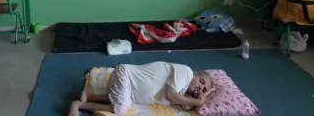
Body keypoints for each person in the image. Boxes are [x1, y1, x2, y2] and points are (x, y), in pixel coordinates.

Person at [68, 62, 215, 116]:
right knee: (120, 109)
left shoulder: (183, 91)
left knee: (125, 100)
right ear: (196, 73)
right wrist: (199, 102)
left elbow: (186, 105)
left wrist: (204, 95)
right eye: (201, 81)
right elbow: (171, 95)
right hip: (125, 75)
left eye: (203, 88)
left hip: (129, 89)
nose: (199, 87)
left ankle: (89, 96)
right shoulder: (186, 72)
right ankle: (78, 105)